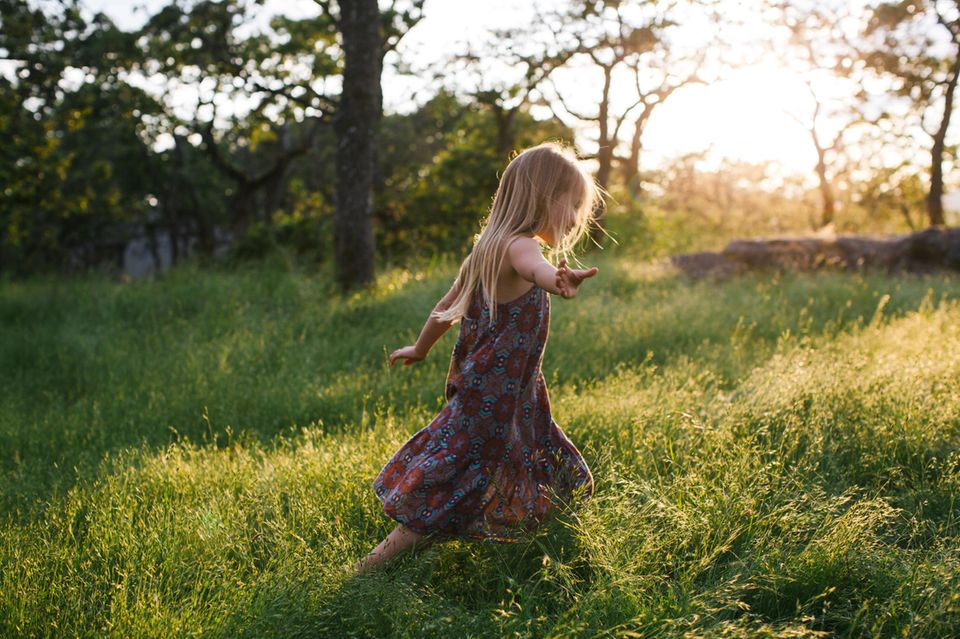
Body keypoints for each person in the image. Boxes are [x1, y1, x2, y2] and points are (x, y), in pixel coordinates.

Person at [355, 141, 601, 574]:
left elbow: (444, 307)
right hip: (494, 394)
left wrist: (421, 347)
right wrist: (555, 279)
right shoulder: (520, 247)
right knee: (461, 477)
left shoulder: (484, 250)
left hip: (505, 391)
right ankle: (371, 566)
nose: (577, 217)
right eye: (574, 204)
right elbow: (535, 269)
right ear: (546, 198)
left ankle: (548, 553)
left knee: (544, 469)